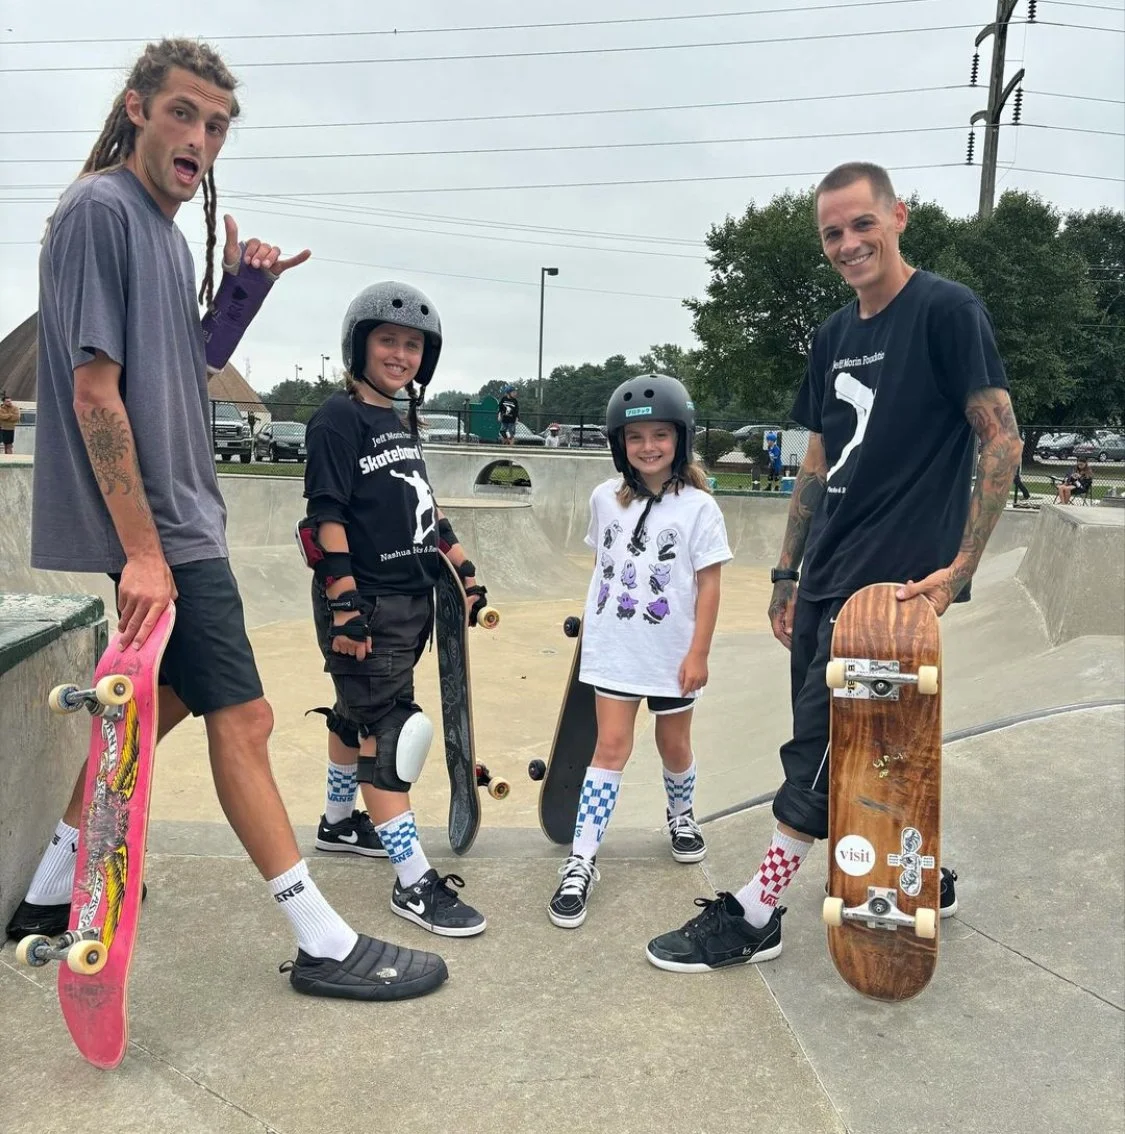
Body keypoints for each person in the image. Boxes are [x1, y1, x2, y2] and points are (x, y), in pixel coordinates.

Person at [6, 38, 447, 1002]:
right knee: (243, 717)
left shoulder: (163, 236)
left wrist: (244, 295)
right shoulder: (98, 213)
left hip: (177, 523)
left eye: (215, 124)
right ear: (136, 109)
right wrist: (141, 552)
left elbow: (183, 367)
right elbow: (92, 393)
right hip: (166, 533)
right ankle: (321, 939)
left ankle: (46, 896)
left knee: (159, 709)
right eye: (183, 114)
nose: (199, 137)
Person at [646, 161, 1023, 973]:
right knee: (853, 746)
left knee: (819, 746)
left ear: (898, 217)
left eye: (861, 225)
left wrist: (959, 567)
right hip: (823, 573)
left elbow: (1000, 436)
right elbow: (818, 455)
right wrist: (786, 572)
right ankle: (917, 875)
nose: (847, 244)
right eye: (831, 233)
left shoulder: (946, 311)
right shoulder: (832, 335)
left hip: (890, 584)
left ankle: (756, 912)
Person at [298, 281, 489, 938]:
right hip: (369, 605)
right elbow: (325, 517)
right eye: (388, 341)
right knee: (392, 738)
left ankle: (339, 821)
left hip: (412, 603)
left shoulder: (397, 421)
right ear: (360, 345)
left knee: (357, 713)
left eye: (412, 346)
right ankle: (413, 885)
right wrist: (345, 608)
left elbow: (423, 510)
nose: (401, 354)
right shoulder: (336, 419)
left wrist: (462, 570)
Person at [547, 373, 732, 929]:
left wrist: (698, 653)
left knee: (673, 743)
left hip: (672, 651)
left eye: (660, 435)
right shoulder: (605, 497)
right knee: (610, 748)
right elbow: (605, 565)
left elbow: (710, 586)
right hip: (617, 650)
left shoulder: (699, 508)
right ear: (618, 445)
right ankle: (581, 860)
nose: (648, 447)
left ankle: (681, 814)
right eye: (635, 438)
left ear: (681, 438)